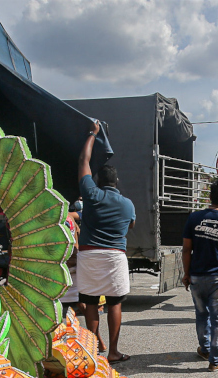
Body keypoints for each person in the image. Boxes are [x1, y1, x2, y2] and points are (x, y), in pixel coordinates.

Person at [77, 121, 135, 364]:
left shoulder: (91, 194)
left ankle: (91, 352)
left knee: (90, 301)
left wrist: (92, 133)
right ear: (117, 181)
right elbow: (130, 226)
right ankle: (113, 351)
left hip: (89, 254)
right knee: (114, 303)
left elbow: (83, 162)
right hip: (114, 255)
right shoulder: (128, 204)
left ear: (97, 181)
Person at [182, 180, 218, 371]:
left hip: (197, 276)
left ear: (209, 197)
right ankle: (215, 361)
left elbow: (186, 249)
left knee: (201, 314)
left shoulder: (194, 218)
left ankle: (205, 349)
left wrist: (186, 273)